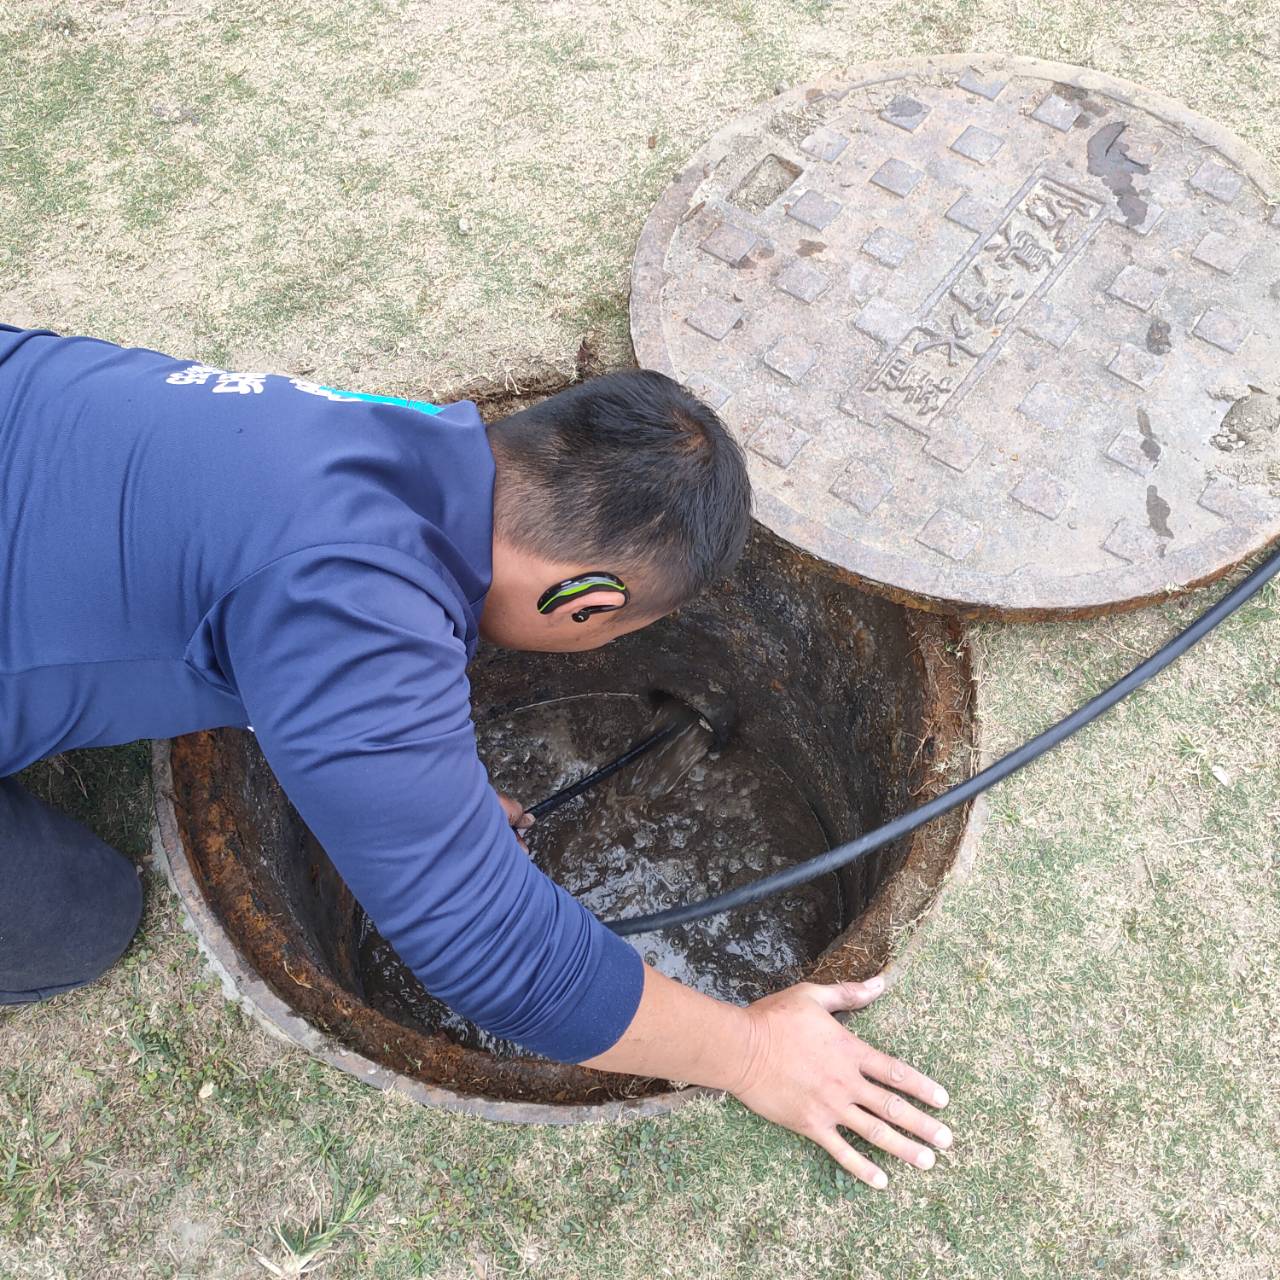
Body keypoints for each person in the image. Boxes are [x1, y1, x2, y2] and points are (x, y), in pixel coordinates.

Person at [0, 325, 951, 1187]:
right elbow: (490, 953)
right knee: (81, 917)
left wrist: (421, 785)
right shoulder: (351, 605)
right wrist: (750, 1052)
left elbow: (295, 604)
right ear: (584, 603)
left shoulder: (393, 438)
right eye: (617, 634)